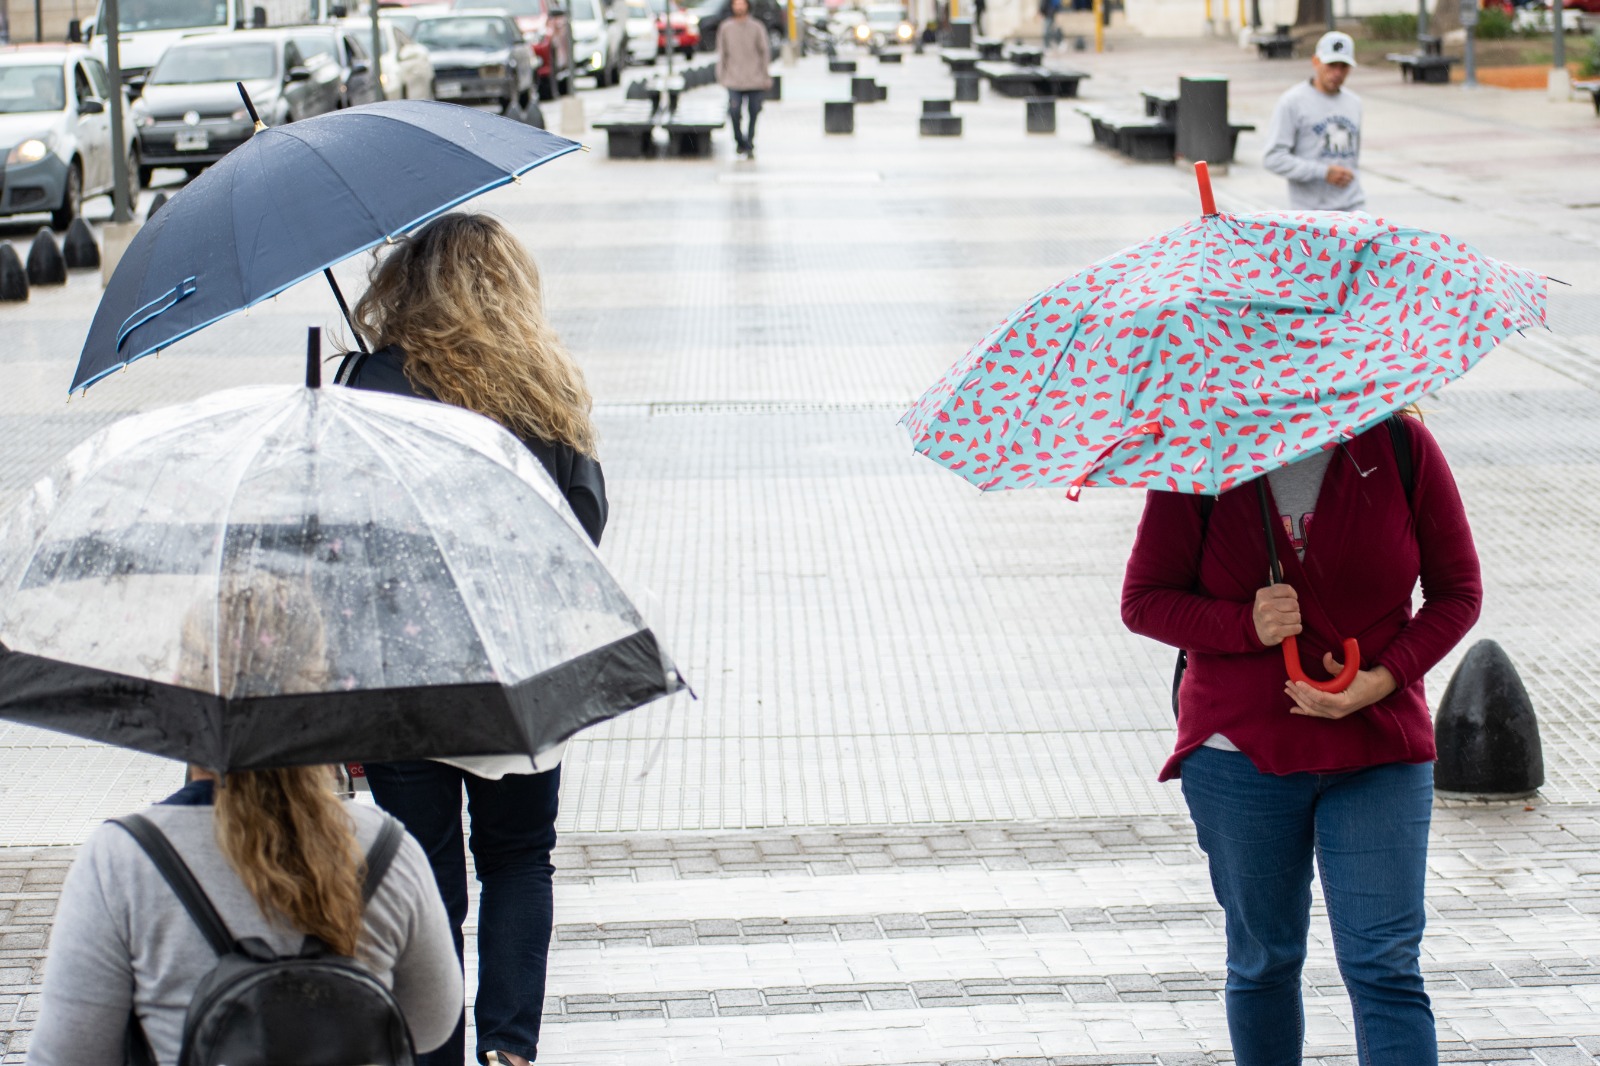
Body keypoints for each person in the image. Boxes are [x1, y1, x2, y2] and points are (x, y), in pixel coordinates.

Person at [1121, 414, 1482, 1065]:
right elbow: (1144, 600)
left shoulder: (1400, 445)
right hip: (1240, 757)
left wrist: (1383, 680)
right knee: (1264, 961)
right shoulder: (1200, 454)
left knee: (1386, 967)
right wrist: (1245, 623)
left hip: (1380, 751)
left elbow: (1457, 592)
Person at [341, 211, 607, 1066]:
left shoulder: (373, 383)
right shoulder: (547, 383)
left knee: (427, 882)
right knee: (521, 859)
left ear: (408, 288)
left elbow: (345, 534)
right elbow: (585, 522)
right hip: (521, 665)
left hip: (409, 674)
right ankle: (509, 1050)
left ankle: (438, 1050)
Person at [29, 575, 461, 1065]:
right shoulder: (387, 850)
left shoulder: (124, 861)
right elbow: (431, 1024)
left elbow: (66, 1054)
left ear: (183, 690)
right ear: (319, 692)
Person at [1263, 30, 1364, 212]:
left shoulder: (1354, 103)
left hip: (1352, 208)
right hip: (1311, 214)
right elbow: (1273, 158)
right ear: (1316, 62)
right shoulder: (1292, 102)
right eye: (1331, 65)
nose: (1337, 73)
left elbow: (1352, 158)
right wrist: (1322, 172)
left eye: (1344, 66)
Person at [715, 0, 772, 158]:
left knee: (754, 111)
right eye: (736, 4)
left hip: (755, 78)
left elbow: (764, 52)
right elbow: (722, 53)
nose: (739, 7)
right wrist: (721, 75)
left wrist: (766, 75)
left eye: (742, 4)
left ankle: (750, 141)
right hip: (733, 79)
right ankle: (739, 140)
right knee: (734, 111)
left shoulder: (757, 27)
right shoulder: (726, 27)